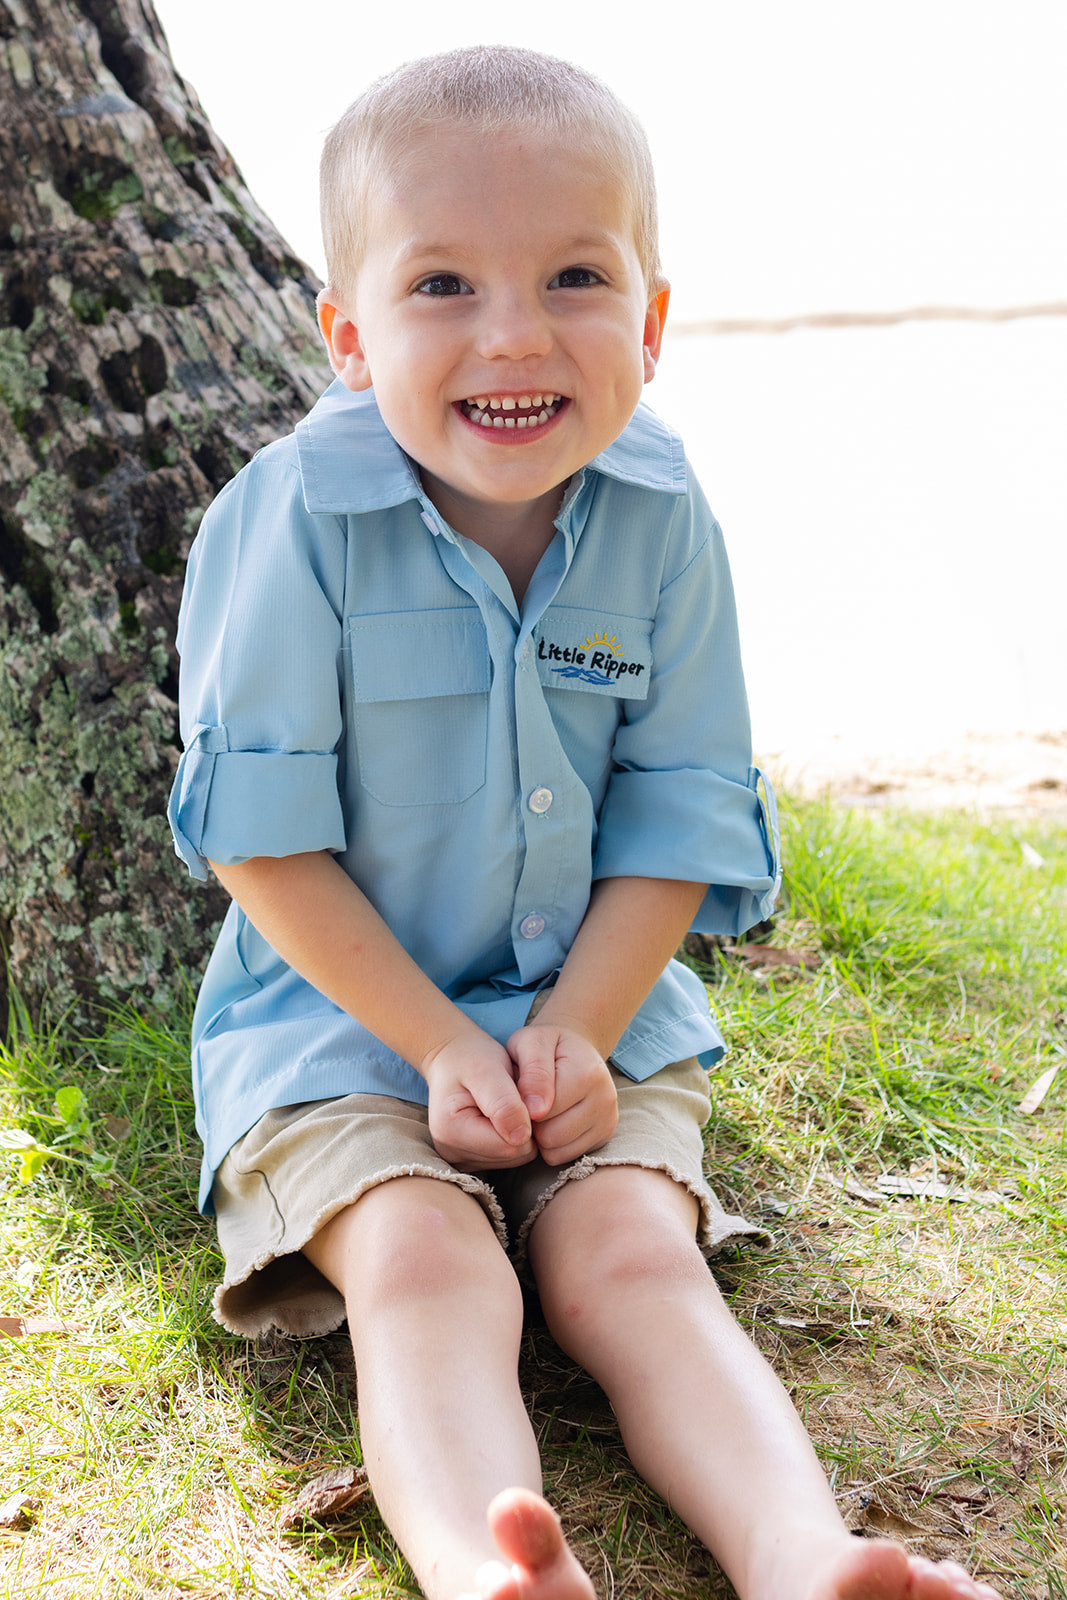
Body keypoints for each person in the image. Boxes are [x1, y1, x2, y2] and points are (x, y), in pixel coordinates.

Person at [168, 45, 1002, 1600]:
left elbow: (679, 814)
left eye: (572, 275)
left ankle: (803, 1557)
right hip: (339, 1030)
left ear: (653, 318)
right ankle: (498, 1570)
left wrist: (576, 1034)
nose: (513, 334)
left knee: (634, 1261)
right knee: (426, 1264)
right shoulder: (285, 522)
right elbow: (261, 841)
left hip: (597, 1022)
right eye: (439, 286)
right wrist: (437, 1047)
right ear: (348, 335)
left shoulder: (666, 520)